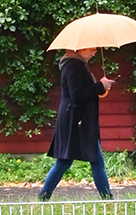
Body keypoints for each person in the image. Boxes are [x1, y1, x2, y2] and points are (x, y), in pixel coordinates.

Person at [38, 47, 115, 201]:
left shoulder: (76, 64)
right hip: (76, 120)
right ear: (80, 48)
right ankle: (108, 199)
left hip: (76, 119)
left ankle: (43, 196)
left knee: (66, 160)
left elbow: (84, 91)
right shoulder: (73, 66)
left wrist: (101, 87)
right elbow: (77, 95)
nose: (94, 52)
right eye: (91, 49)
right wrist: (100, 86)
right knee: (93, 159)